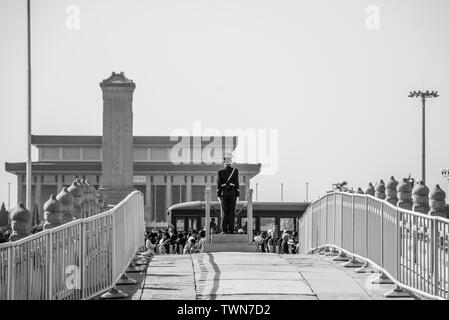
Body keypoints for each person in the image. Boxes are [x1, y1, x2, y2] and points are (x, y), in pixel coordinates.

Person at [217, 152, 240, 234]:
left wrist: (218, 195)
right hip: (233, 193)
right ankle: (231, 230)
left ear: (224, 161)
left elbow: (219, 184)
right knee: (232, 212)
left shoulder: (220, 171)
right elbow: (237, 184)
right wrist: (238, 195)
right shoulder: (235, 170)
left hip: (224, 193)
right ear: (230, 161)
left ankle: (224, 230)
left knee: (224, 212)